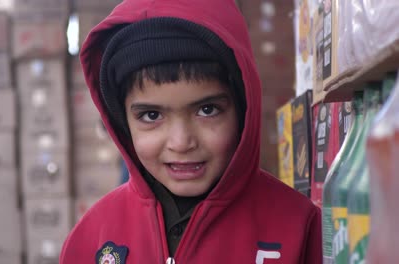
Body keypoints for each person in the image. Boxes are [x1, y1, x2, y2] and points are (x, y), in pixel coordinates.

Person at [60, 0, 322, 263]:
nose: (181, 142)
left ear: (244, 109)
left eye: (207, 110)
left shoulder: (299, 227)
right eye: (151, 116)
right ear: (122, 123)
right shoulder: (91, 237)